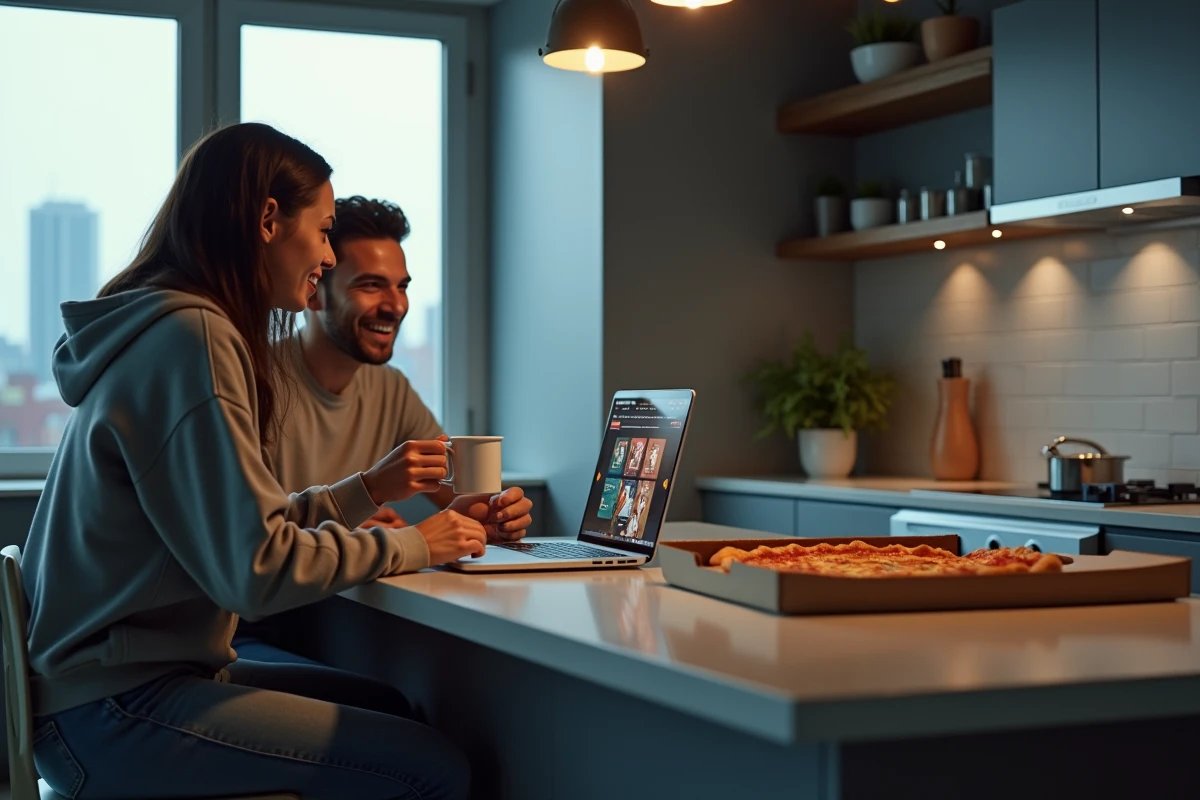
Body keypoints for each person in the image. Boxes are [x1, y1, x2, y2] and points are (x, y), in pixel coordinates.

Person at [22, 122, 478, 800]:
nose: (326, 256)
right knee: (432, 768)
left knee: (394, 711)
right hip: (111, 709)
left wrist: (365, 491)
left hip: (115, 689)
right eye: (323, 231)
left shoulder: (173, 328)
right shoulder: (194, 336)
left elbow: (240, 528)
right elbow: (255, 570)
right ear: (269, 219)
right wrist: (415, 543)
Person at [233, 196, 534, 663]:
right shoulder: (251, 381)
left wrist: (490, 513)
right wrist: (348, 523)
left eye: (402, 286)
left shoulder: (390, 389)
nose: (394, 306)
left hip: (341, 623)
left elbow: (459, 493)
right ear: (315, 290)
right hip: (249, 631)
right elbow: (249, 543)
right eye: (371, 285)